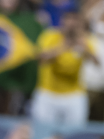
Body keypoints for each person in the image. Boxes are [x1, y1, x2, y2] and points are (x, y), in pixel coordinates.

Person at [32, 9, 97, 137]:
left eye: (75, 20)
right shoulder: (50, 36)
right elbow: (40, 59)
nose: (71, 23)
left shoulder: (84, 40)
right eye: (68, 19)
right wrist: (63, 47)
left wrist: (85, 49)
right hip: (47, 92)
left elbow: (96, 62)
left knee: (74, 134)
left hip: (74, 94)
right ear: (62, 21)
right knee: (43, 134)